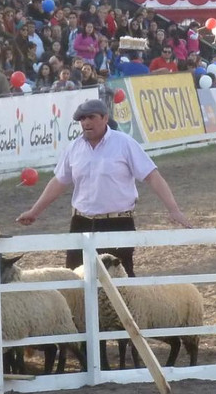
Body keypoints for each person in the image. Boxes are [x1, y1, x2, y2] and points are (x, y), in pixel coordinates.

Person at [16, 99, 191, 276]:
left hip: (117, 223)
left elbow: (152, 177)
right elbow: (59, 181)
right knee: (76, 279)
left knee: (121, 281)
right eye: (82, 119)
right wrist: (34, 212)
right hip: (81, 223)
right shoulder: (73, 148)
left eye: (91, 117)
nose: (86, 123)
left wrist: (174, 210)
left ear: (105, 118)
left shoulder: (124, 143)